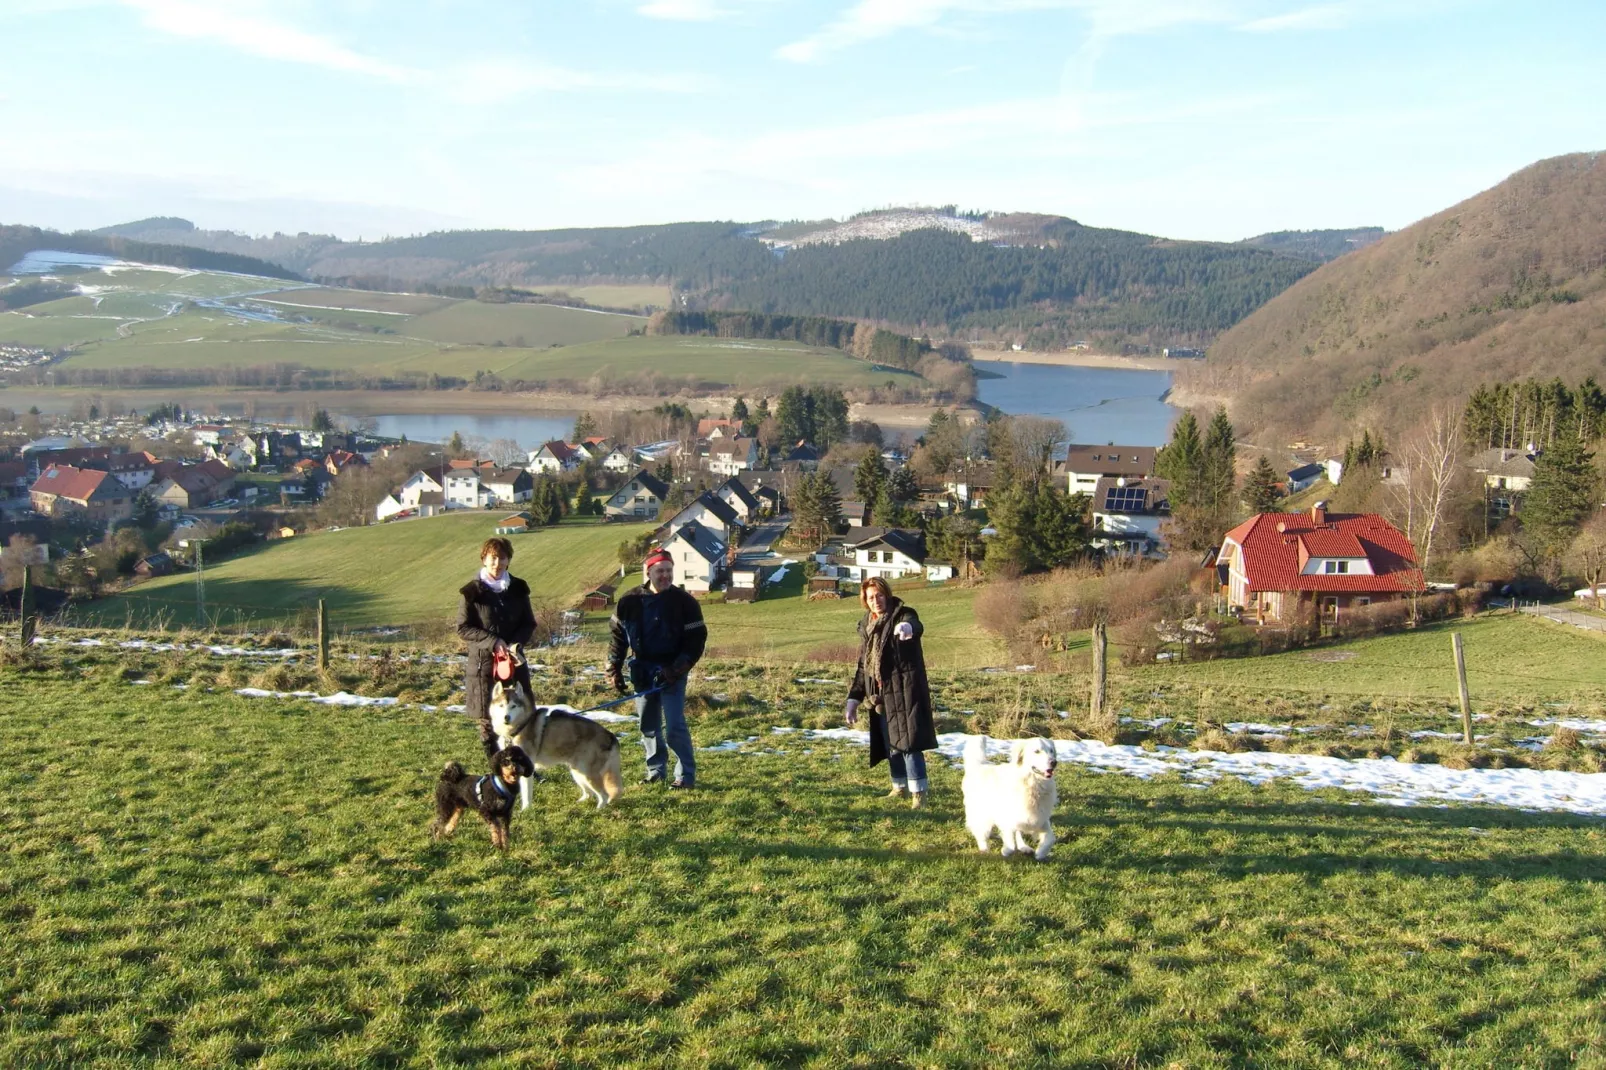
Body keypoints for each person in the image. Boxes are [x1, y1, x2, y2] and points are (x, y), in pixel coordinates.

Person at [607, 547, 707, 789]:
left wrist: (675, 669)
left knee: (674, 726)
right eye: (660, 571)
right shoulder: (628, 601)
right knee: (648, 726)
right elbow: (618, 639)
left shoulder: (685, 602)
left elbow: (696, 641)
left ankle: (685, 776)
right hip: (641, 671)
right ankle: (655, 771)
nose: (666, 576)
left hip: (673, 672)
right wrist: (613, 669)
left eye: (669, 571)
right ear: (648, 572)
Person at [845, 576, 937, 808]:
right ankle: (899, 786)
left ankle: (920, 794)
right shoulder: (867, 625)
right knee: (890, 744)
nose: (876, 601)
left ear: (887, 595)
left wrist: (907, 628)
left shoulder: (903, 614)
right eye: (871, 597)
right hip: (879, 696)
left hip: (904, 691)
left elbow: (915, 624)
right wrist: (854, 698)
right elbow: (862, 666)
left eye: (879, 595)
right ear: (865, 601)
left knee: (908, 743)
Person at [457, 536, 537, 761]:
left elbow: (529, 622)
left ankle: (523, 763)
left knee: (523, 712)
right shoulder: (471, 592)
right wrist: (494, 642)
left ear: (508, 560)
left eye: (502, 558)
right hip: (484, 663)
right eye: (493, 558)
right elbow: (463, 628)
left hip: (515, 661)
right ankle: (496, 765)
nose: (497, 563)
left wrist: (516, 644)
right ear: (484, 559)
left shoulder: (519, 588)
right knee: (489, 718)